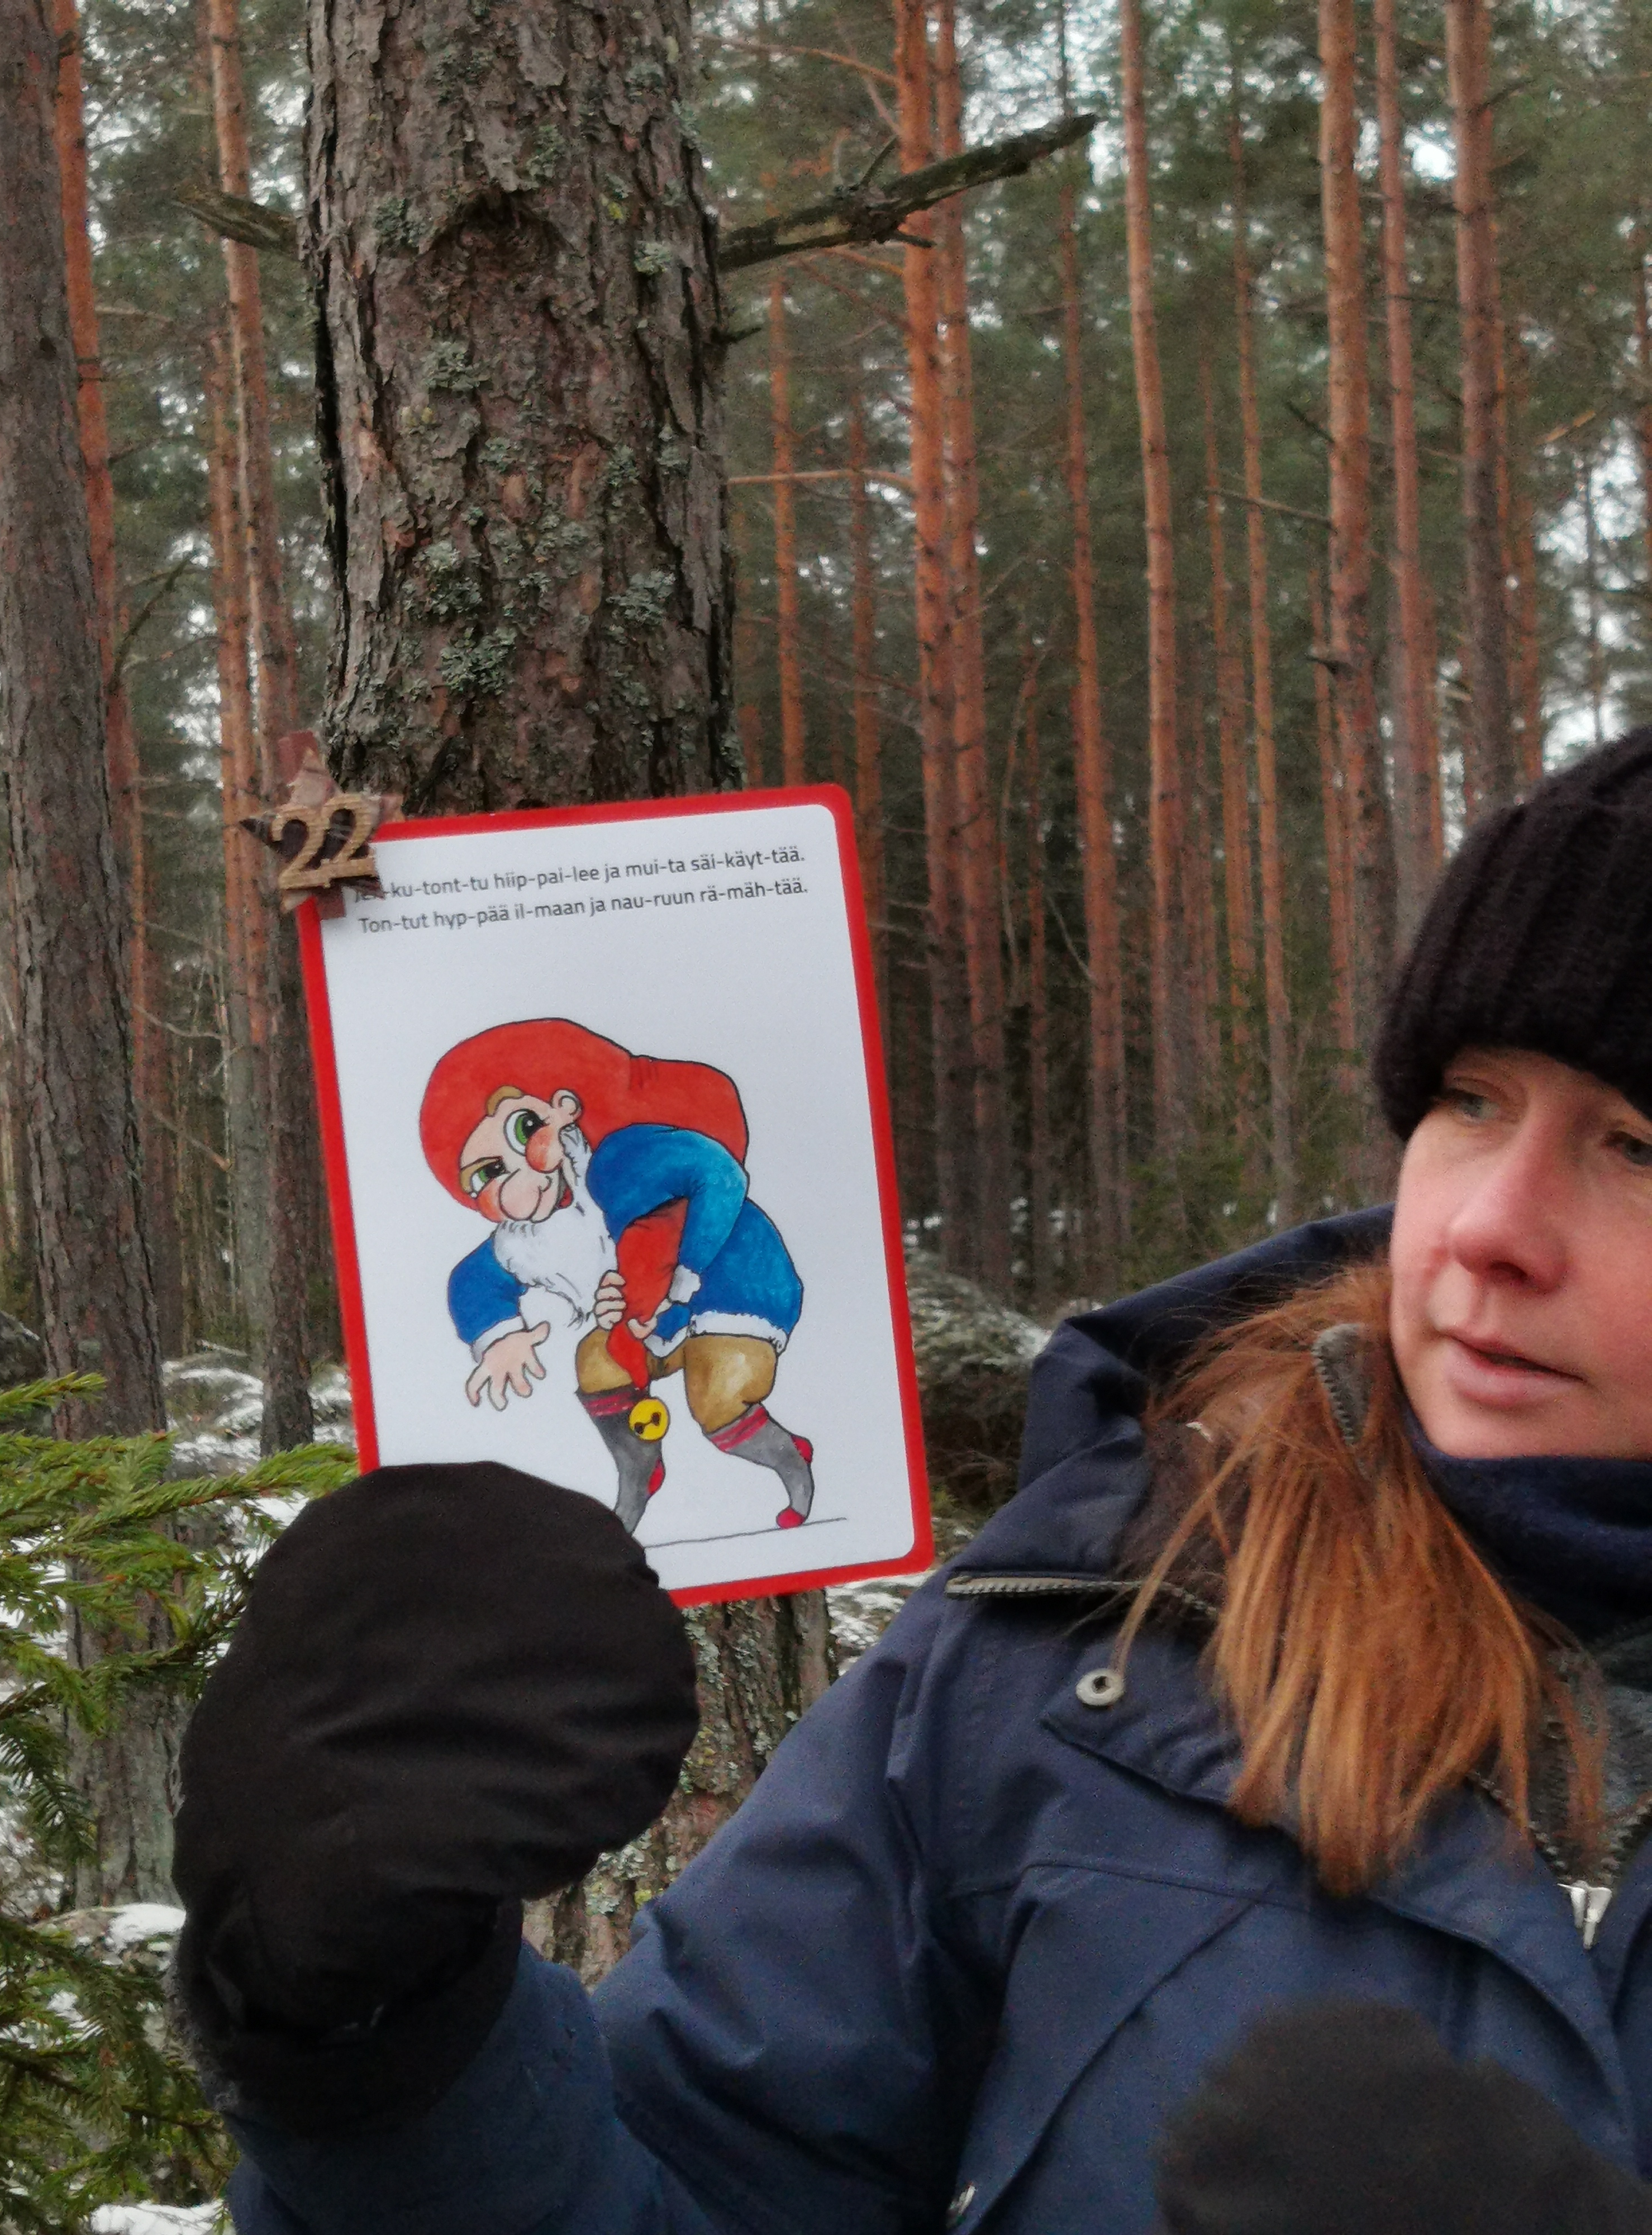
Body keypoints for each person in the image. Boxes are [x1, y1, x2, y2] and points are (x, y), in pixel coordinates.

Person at [174, 731, 1652, 2234]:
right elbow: (691, 2188)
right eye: (1472, 1100)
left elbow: (699, 1192)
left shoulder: (652, 1171)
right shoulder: (1087, 1631)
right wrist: (390, 2057)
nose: (1488, 1227)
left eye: (1635, 1146)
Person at [420, 1017, 812, 1534]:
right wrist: (500, 1338)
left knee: (715, 1396)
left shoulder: (621, 1159)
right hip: (645, 1315)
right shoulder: (526, 1239)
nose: (519, 1172)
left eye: (523, 1130)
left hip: (733, 1286)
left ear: (562, 1108)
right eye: (488, 1174)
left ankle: (790, 1462)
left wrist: (685, 1272)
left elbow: (720, 1174)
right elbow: (473, 1279)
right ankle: (638, 1471)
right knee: (596, 1363)